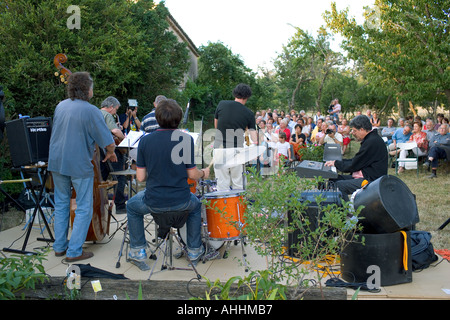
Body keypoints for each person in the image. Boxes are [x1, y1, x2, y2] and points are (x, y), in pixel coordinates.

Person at [126, 99, 216, 270]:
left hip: (153, 201)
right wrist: (204, 173)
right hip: (181, 200)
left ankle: (138, 252)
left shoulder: (145, 141)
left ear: (157, 117)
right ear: (179, 118)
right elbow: (192, 174)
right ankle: (194, 251)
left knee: (131, 206)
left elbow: (140, 178)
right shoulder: (185, 139)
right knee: (196, 206)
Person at [48, 72, 117, 262]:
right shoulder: (91, 110)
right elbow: (107, 141)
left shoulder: (60, 106)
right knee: (84, 206)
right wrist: (110, 152)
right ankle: (74, 251)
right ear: (87, 89)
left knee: (61, 203)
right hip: (78, 163)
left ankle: (60, 247)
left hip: (56, 161)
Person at [325, 115, 388, 201]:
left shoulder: (372, 142)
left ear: (362, 129)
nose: (352, 133)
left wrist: (336, 163)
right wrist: (336, 162)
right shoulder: (371, 139)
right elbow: (357, 160)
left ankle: (346, 212)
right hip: (367, 175)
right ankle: (333, 206)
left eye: (354, 131)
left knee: (339, 185)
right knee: (333, 180)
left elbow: (354, 164)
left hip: (372, 180)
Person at [213, 83, 257, 191]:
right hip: (236, 149)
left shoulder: (221, 104)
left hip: (219, 148)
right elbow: (254, 138)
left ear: (235, 93)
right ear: (247, 97)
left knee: (222, 184)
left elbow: (216, 126)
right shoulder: (249, 113)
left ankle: (224, 207)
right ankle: (239, 207)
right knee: (238, 183)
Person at [100, 96, 127, 213]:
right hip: (111, 151)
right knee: (119, 176)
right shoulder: (107, 115)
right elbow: (115, 131)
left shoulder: (96, 113)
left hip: (98, 151)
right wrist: (123, 137)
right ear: (111, 107)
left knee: (101, 178)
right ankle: (120, 206)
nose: (115, 112)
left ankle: (99, 205)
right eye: (115, 109)